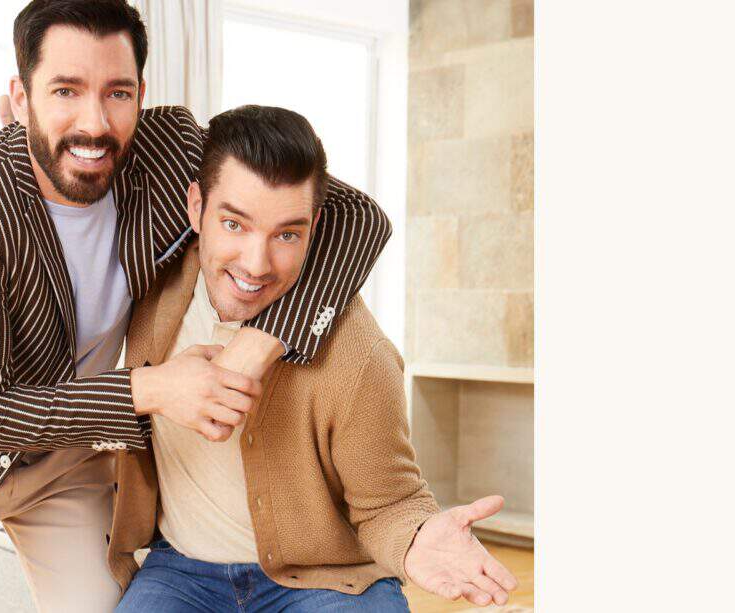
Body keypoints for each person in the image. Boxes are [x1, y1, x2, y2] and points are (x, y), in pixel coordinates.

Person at [0, 1, 392, 611]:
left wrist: (258, 345)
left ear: (141, 93)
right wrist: (151, 390)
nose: (95, 123)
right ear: (21, 98)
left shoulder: (166, 150)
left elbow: (356, 215)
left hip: (70, 463)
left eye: (117, 92)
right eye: (65, 91)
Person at [105, 104, 519, 611]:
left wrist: (415, 541)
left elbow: (388, 500)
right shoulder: (152, 286)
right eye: (234, 224)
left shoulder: (359, 353)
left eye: (286, 234)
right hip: (182, 568)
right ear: (196, 208)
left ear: (315, 228)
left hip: (324, 578)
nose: (256, 265)